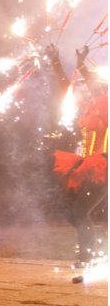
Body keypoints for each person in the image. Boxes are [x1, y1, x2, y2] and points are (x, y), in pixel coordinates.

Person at [50, 45, 108, 271]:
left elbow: (94, 87)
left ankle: (88, 257)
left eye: (89, 88)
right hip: (85, 164)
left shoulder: (106, 106)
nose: (85, 90)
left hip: (103, 163)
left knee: (80, 211)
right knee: (72, 212)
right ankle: (92, 253)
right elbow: (67, 89)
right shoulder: (88, 108)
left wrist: (82, 65)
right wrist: (55, 62)